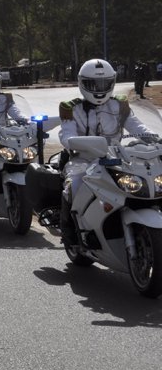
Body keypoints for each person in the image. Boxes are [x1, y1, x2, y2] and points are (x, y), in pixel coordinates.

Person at [58, 58, 155, 247]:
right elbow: (66, 134)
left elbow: (137, 126)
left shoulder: (119, 105)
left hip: (117, 159)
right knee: (74, 185)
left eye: (104, 83)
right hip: (83, 160)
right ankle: (69, 233)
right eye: (93, 84)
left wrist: (154, 138)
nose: (99, 89)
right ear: (82, 83)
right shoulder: (71, 107)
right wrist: (73, 142)